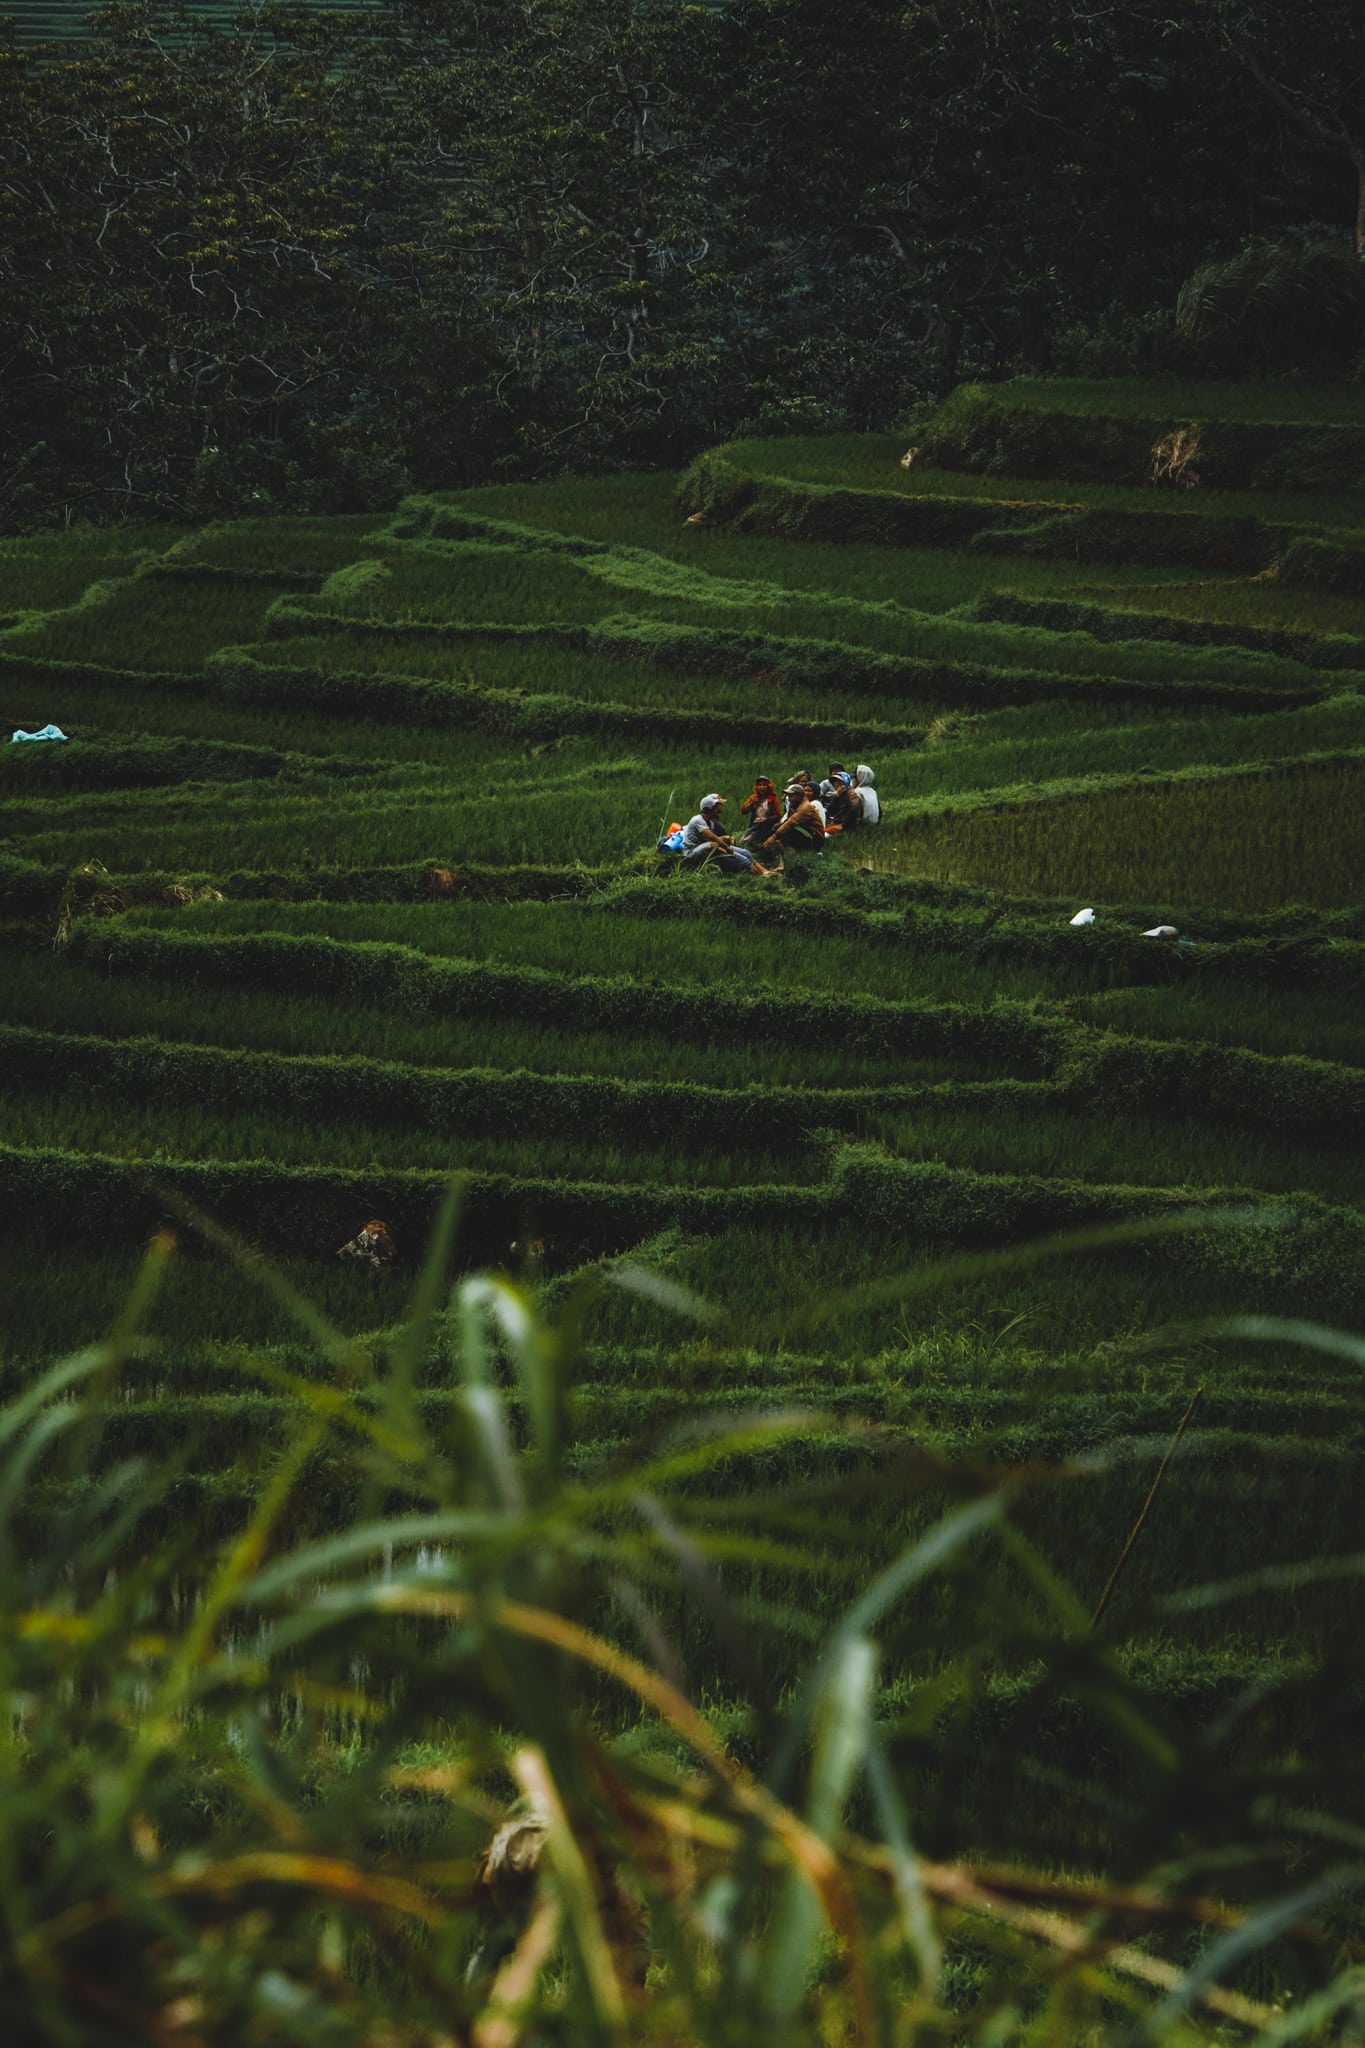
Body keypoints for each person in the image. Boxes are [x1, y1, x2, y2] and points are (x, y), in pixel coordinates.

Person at [681, 793, 778, 874]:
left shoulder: (710, 821)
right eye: (718, 805)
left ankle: (765, 871)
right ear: (712, 808)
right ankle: (760, 875)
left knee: (745, 852)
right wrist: (726, 848)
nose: (720, 807)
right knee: (742, 859)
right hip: (692, 852)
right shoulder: (698, 820)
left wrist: (723, 845)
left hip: (705, 846)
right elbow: (712, 837)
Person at [762, 780, 826, 856]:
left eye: (791, 796)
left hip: (816, 838)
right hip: (806, 833)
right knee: (778, 827)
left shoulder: (806, 807)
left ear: (799, 796)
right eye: (788, 796)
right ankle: (781, 852)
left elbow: (792, 821)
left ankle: (806, 851)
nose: (789, 799)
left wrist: (774, 836)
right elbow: (787, 820)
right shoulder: (795, 805)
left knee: (789, 829)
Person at [739, 776, 781, 846]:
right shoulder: (753, 798)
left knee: (748, 840)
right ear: (757, 787)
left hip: (767, 826)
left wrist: (766, 819)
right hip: (754, 825)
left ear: (768, 787)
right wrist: (752, 803)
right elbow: (743, 811)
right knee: (742, 840)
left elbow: (778, 815)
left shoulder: (773, 799)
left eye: (764, 785)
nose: (762, 787)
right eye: (760, 785)